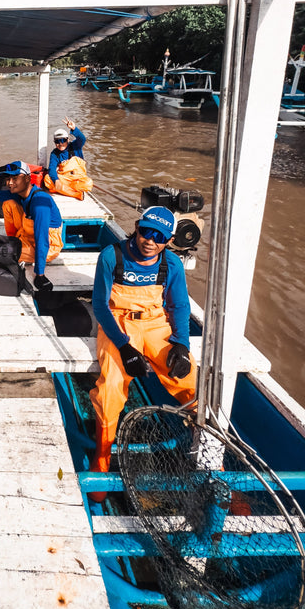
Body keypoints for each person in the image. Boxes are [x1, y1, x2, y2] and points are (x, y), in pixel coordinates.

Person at [88, 205, 196, 501]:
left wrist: (182, 345)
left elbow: (178, 306)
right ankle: (102, 456)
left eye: (159, 236)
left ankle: (211, 458)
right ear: (136, 227)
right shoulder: (112, 256)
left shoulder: (170, 264)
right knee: (110, 388)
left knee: (192, 384)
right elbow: (100, 306)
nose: (150, 240)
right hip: (118, 324)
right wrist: (125, 347)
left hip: (156, 324)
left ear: (168, 240)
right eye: (145, 230)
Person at [0, 160, 63, 290]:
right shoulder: (19, 193)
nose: (9, 183)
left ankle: (14, 248)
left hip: (48, 244)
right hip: (28, 233)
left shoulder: (40, 203)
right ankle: (13, 241)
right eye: (8, 179)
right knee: (8, 204)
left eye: (14, 178)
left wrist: (40, 274)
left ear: (28, 178)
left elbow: (42, 240)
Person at [43, 116, 93, 200]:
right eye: (57, 141)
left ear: (68, 140)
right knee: (47, 179)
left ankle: (64, 190)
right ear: (54, 142)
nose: (60, 144)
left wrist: (74, 128)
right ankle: (75, 194)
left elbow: (82, 139)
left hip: (78, 178)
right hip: (64, 179)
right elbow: (51, 169)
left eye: (63, 140)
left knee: (88, 183)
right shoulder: (55, 154)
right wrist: (56, 180)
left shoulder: (75, 146)